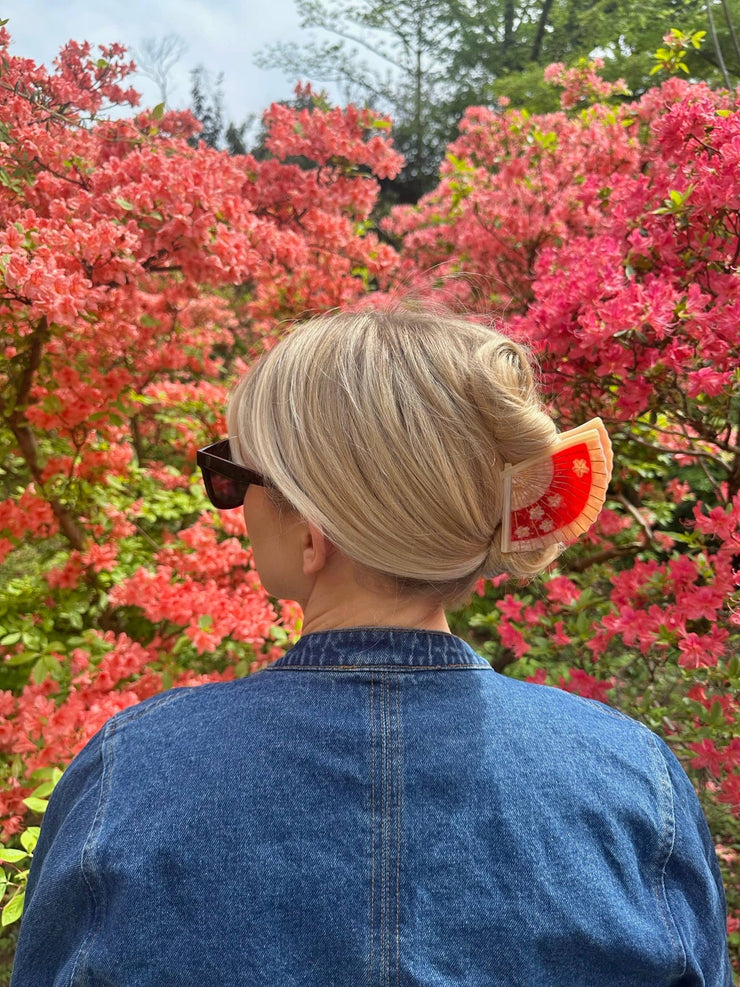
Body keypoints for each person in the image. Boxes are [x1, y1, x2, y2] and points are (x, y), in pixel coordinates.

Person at [11, 308, 732, 986]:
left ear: (313, 532)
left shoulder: (130, 772)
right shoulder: (632, 781)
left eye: (235, 474)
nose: (231, 500)